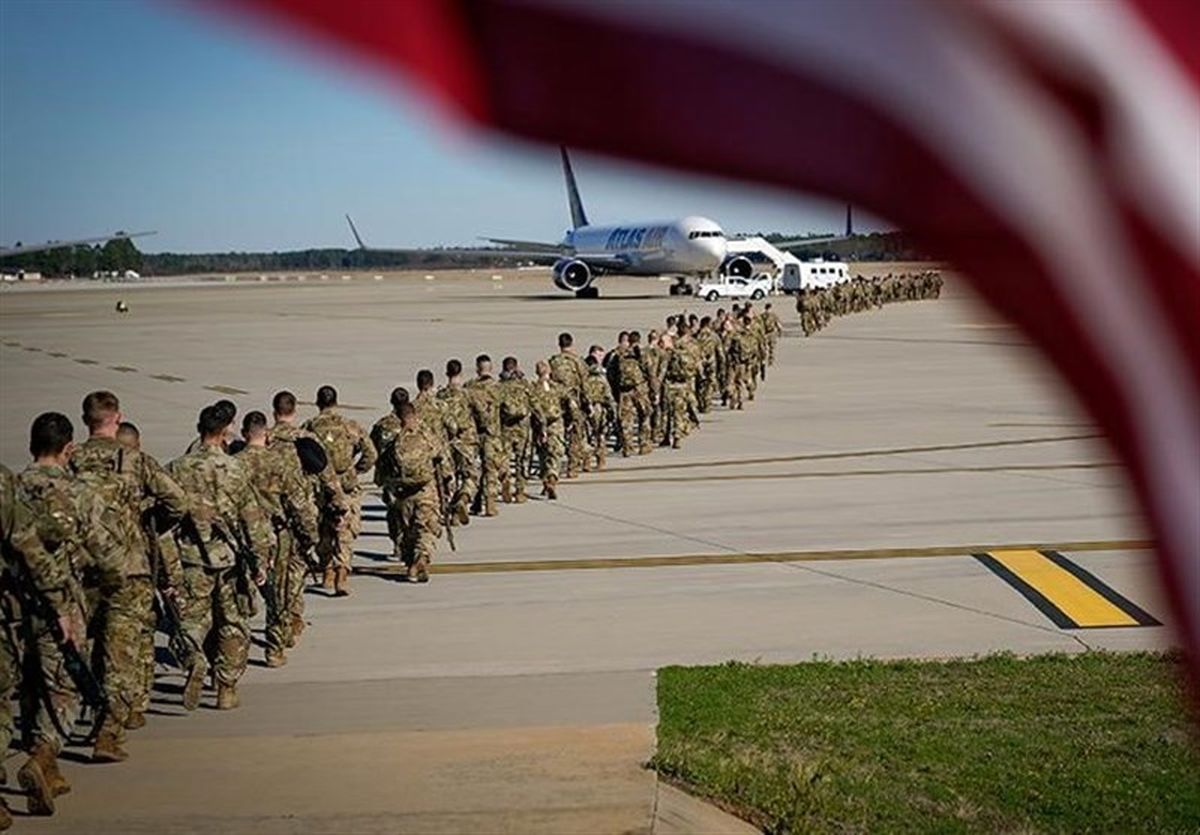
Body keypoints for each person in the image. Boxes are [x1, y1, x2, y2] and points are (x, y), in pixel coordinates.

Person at [69, 390, 189, 763]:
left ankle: (60, 726)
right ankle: (108, 732)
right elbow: (178, 502)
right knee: (121, 653)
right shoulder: (135, 460)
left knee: (77, 647)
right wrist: (147, 526)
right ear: (116, 418)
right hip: (128, 568)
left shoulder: (69, 459)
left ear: (86, 420)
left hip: (80, 569)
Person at [11, 413, 119, 817]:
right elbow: (107, 553)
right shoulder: (79, 493)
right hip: (59, 605)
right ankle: (42, 756)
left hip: (12, 606)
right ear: (69, 449)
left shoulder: (13, 489)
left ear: (31, 446)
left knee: (24, 687)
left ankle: (48, 769)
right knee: (63, 689)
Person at [167, 405, 274, 711]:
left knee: (191, 621)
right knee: (232, 622)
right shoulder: (235, 469)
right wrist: (260, 560)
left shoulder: (177, 468)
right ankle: (226, 687)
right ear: (226, 431)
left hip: (190, 557)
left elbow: (160, 517)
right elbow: (252, 519)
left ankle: (194, 660)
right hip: (228, 559)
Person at [235, 411, 318, 667]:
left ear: (243, 433)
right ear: (267, 435)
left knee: (238, 592)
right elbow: (298, 504)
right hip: (275, 535)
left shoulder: (233, 464)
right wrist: (309, 535)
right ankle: (274, 649)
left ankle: (232, 649)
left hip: (240, 536)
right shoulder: (280, 464)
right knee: (277, 593)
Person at [268, 391, 342, 642]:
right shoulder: (305, 440)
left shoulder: (263, 440)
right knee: (296, 569)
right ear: (294, 411)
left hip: (267, 520)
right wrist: (338, 503)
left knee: (274, 575)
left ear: (273, 411)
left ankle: (279, 621)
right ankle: (294, 616)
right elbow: (327, 476)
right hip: (301, 517)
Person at [304, 385, 377, 596]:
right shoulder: (350, 426)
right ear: (336, 402)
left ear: (318, 403)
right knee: (345, 529)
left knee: (323, 528)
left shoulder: (310, 427)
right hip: (345, 485)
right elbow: (370, 453)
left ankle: (327, 569)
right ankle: (342, 572)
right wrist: (355, 470)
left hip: (320, 486)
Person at [388, 402, 443, 582]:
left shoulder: (392, 439)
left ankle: (412, 563)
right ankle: (421, 559)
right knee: (425, 529)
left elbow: (384, 468)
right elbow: (441, 457)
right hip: (425, 491)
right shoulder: (427, 436)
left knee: (407, 531)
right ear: (415, 416)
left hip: (403, 493)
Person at [436, 359, 479, 525]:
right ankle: (463, 498)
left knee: (450, 478)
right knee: (470, 475)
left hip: (447, 442)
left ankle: (452, 509)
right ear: (460, 374)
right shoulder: (467, 394)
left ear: (447, 374)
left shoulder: (440, 396)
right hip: (466, 440)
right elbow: (481, 414)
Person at [370, 388, 409, 562]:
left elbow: (371, 448)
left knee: (393, 511)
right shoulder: (414, 424)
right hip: (411, 475)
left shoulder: (382, 425)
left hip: (389, 476)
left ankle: (398, 544)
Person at [463, 355, 503, 517]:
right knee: (490, 469)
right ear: (491, 368)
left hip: (472, 434)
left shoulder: (469, 387)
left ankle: (474, 501)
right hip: (491, 434)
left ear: (477, 368)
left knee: (474, 470)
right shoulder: (497, 387)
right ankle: (490, 503)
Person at [547, 332, 590, 477]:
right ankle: (572, 467)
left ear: (559, 345)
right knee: (575, 433)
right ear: (571, 344)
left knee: (557, 433)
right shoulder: (578, 361)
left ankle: (553, 466)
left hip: (557, 401)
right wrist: (587, 402)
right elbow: (585, 383)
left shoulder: (553, 361)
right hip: (573, 400)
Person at [498, 357, 532, 503]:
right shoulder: (524, 385)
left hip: (506, 427)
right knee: (521, 459)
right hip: (522, 427)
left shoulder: (499, 386)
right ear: (516, 367)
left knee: (504, 458)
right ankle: (520, 491)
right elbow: (535, 404)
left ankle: (505, 479)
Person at [583, 355, 616, 470]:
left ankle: (586, 461)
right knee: (600, 435)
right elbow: (608, 396)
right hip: (600, 409)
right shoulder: (602, 379)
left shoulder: (584, 380)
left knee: (586, 436)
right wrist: (613, 412)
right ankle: (600, 460)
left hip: (587, 409)